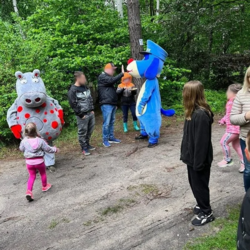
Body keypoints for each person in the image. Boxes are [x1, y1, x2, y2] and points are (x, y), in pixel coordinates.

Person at [180, 81, 215, 226]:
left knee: (200, 185)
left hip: (198, 160)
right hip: (191, 158)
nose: (183, 94)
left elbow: (201, 142)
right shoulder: (192, 112)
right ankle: (201, 204)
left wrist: (199, 163)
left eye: (185, 91)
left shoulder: (200, 115)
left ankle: (207, 212)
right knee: (195, 184)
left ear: (191, 94)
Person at [19, 122, 59, 202]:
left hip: (29, 163)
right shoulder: (40, 141)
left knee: (32, 176)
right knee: (43, 174)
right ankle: (44, 186)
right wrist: (55, 149)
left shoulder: (24, 141)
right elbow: (48, 149)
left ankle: (29, 191)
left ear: (26, 132)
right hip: (39, 162)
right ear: (36, 131)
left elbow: (21, 149)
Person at [231, 66, 250, 192]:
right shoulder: (241, 95)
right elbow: (232, 118)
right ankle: (248, 199)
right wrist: (246, 116)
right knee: (249, 169)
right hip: (247, 139)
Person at [68, 71, 95, 156]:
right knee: (82, 131)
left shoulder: (85, 87)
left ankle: (87, 144)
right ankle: (84, 148)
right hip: (82, 115)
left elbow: (90, 98)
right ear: (78, 78)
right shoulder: (73, 90)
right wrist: (80, 114)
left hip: (90, 113)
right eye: (83, 78)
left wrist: (92, 109)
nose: (85, 80)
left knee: (90, 130)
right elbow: (73, 104)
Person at [218, 83, 244, 172]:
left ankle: (227, 159)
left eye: (228, 91)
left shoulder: (233, 102)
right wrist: (223, 120)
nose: (227, 93)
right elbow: (228, 114)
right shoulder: (234, 102)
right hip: (236, 128)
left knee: (223, 142)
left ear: (235, 93)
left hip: (233, 129)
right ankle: (244, 163)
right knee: (236, 145)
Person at [98, 63, 124, 147]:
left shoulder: (108, 78)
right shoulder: (102, 77)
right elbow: (111, 80)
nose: (114, 71)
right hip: (106, 104)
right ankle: (105, 140)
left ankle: (111, 137)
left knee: (112, 122)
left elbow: (111, 92)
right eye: (113, 69)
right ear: (108, 69)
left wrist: (120, 91)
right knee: (107, 123)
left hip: (112, 103)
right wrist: (122, 74)